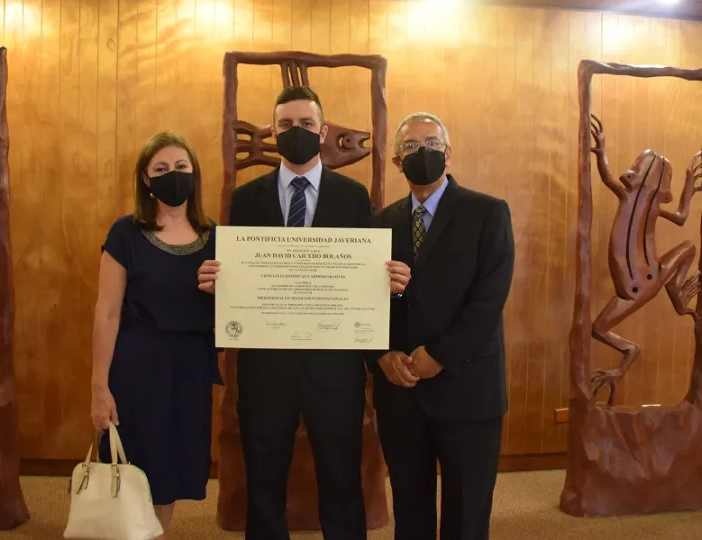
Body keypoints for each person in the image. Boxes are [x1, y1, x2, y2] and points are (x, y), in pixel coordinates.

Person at [198, 86, 410, 540]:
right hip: (265, 369)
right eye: (287, 125)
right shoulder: (246, 198)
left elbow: (363, 278)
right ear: (274, 132)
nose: (297, 131)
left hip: (335, 371)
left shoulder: (353, 197)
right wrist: (219, 280)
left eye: (307, 124)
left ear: (324, 131)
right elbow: (240, 275)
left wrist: (386, 285)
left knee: (342, 481)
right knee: (263, 483)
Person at [368, 112, 515, 540]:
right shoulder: (379, 224)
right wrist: (381, 354)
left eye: (432, 144)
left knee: (466, 516)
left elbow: (489, 300)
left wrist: (440, 356)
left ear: (448, 154)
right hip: (400, 391)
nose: (424, 152)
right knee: (409, 511)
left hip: (467, 387)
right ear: (398, 161)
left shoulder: (488, 212)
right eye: (411, 146)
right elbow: (365, 302)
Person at [90, 131, 222, 539]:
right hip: (136, 369)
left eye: (181, 167)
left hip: (189, 371)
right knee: (134, 465)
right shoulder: (126, 232)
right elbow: (107, 312)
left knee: (171, 470)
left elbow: (233, 316)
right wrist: (98, 386)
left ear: (194, 174)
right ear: (146, 180)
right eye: (161, 169)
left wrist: (223, 294)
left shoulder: (216, 237)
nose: (173, 175)